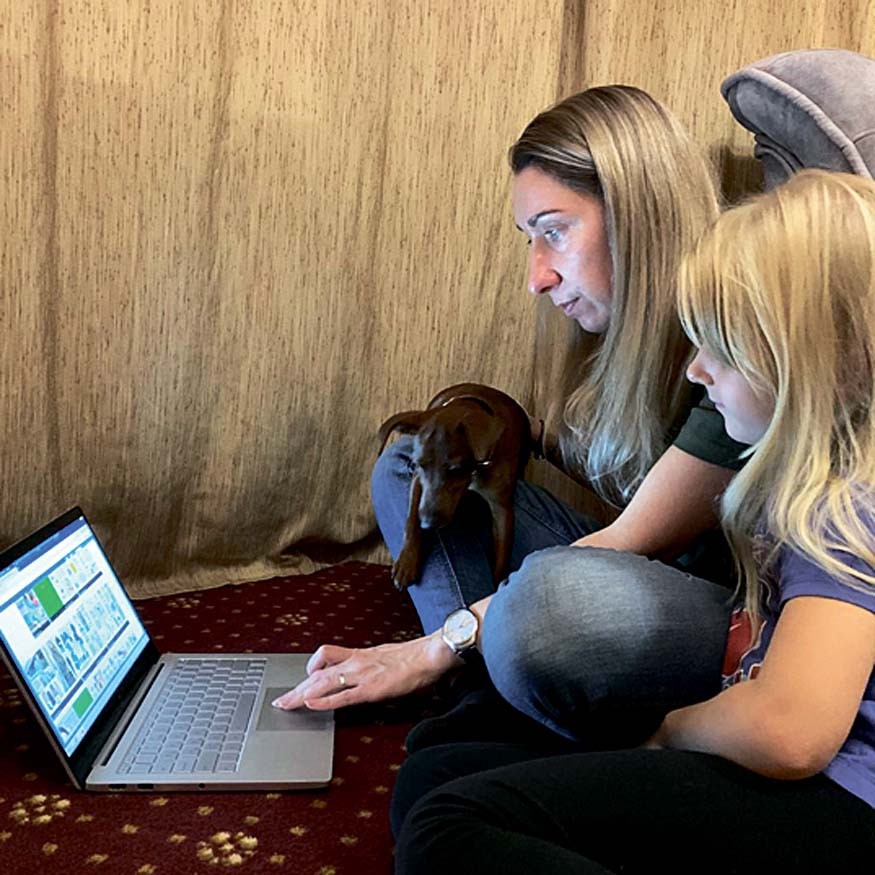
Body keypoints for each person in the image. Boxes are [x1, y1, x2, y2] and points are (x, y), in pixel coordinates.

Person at [391, 169, 875, 872]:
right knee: (435, 775)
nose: (696, 372)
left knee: (448, 823)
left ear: (819, 364)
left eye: (722, 348)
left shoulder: (843, 503)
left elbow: (788, 730)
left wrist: (667, 732)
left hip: (845, 799)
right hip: (786, 760)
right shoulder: (810, 482)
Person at [273, 86, 746, 748]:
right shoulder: (633, 340)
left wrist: (432, 647)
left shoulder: (735, 338)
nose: (536, 278)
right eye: (530, 239)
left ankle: (487, 683)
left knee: (546, 608)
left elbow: (633, 541)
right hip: (635, 572)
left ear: (638, 215)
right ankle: (494, 686)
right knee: (409, 461)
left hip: (724, 616)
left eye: (554, 231)